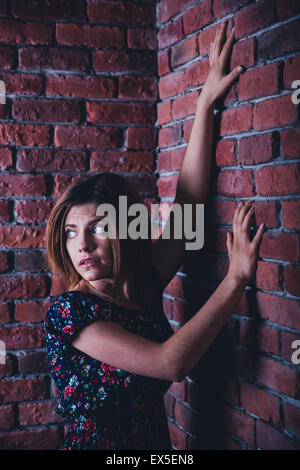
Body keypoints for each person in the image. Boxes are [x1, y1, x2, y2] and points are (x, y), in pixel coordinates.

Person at [43, 19, 265, 450]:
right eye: (70, 233)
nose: (81, 246)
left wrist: (203, 107)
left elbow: (188, 208)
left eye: (98, 228)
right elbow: (171, 362)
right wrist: (236, 277)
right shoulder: (69, 313)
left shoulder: (138, 287)